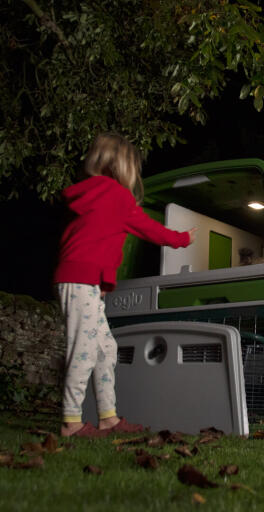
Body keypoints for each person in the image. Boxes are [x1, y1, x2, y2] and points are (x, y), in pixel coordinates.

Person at [54, 132, 196, 437]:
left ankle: (108, 417)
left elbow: (92, 241)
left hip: (78, 280)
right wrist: (184, 238)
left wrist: (102, 280)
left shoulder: (90, 194)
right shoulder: (117, 196)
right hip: (81, 281)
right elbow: (150, 230)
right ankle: (71, 421)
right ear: (126, 168)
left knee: (105, 347)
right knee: (83, 350)